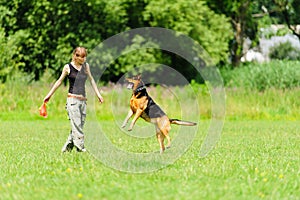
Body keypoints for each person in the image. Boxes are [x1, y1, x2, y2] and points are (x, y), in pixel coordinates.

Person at [43, 47, 104, 152]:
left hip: (83, 101)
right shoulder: (68, 67)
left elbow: (92, 80)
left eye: (85, 57)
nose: (84, 59)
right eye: (82, 57)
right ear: (75, 56)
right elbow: (59, 81)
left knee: (78, 125)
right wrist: (49, 95)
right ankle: (81, 148)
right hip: (72, 101)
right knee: (77, 125)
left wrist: (98, 94)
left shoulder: (86, 66)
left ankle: (66, 150)